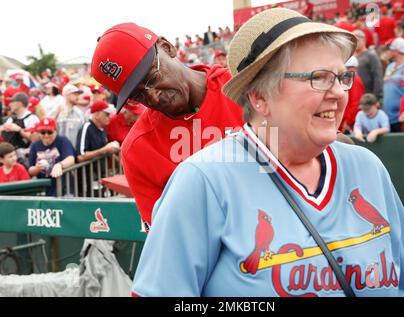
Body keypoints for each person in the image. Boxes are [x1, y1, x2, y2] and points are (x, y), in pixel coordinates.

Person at [131, 8, 404, 297]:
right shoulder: (201, 182)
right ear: (260, 97)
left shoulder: (367, 166)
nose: (337, 93)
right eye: (317, 78)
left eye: (340, 76)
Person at [91, 22, 244, 227]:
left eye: (152, 77)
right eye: (138, 95)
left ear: (167, 47)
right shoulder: (138, 150)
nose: (153, 97)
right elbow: (170, 240)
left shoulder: (244, 88)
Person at [28, 117, 75, 196]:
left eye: (49, 132)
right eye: (43, 132)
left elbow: (71, 158)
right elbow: (30, 170)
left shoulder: (62, 140)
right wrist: (37, 168)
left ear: (55, 131)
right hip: (44, 187)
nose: (46, 135)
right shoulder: (35, 145)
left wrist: (59, 165)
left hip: (62, 186)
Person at [353, 30, 383, 100]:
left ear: (364, 40)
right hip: (354, 94)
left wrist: (375, 97)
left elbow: (378, 77)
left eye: (357, 40)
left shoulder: (371, 56)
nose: (354, 43)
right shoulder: (351, 57)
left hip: (367, 95)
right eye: (352, 41)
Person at [340, 56, 365, 134]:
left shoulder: (355, 80)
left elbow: (356, 103)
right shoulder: (347, 79)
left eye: (348, 68)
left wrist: (348, 121)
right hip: (343, 120)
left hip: (349, 124)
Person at [56, 83, 85, 148]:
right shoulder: (57, 110)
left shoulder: (80, 113)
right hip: (60, 152)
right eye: (75, 94)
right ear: (67, 95)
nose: (78, 97)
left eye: (78, 94)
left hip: (76, 152)